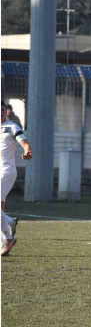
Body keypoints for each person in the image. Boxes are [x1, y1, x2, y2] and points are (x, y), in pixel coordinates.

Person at [1, 100, 32, 243]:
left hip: (7, 171)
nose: (1, 113)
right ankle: (11, 223)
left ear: (7, 111)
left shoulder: (12, 127)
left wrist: (27, 152)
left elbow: (25, 143)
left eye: (3, 110)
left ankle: (7, 239)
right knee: (1, 209)